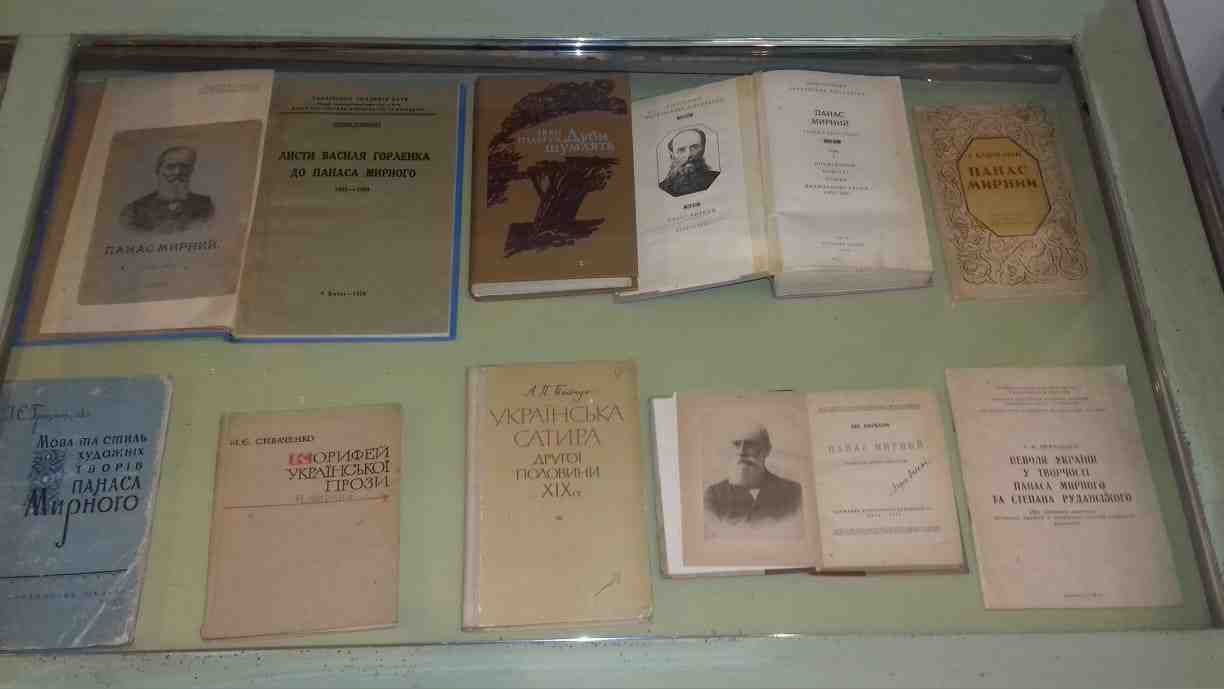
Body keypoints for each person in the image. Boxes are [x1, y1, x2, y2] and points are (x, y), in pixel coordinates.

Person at [703, 424, 802, 524]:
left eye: (750, 444)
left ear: (767, 450)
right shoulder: (714, 495)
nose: (741, 452)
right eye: (737, 444)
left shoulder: (793, 492)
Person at [120, 146, 214, 233]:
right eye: (170, 167)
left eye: (184, 167)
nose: (178, 172)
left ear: (191, 170)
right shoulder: (135, 211)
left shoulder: (206, 205)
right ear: (158, 170)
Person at [659, 128, 720, 197]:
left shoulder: (717, 179)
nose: (689, 154)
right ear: (672, 155)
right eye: (681, 150)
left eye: (695, 147)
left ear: (703, 149)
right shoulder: (663, 188)